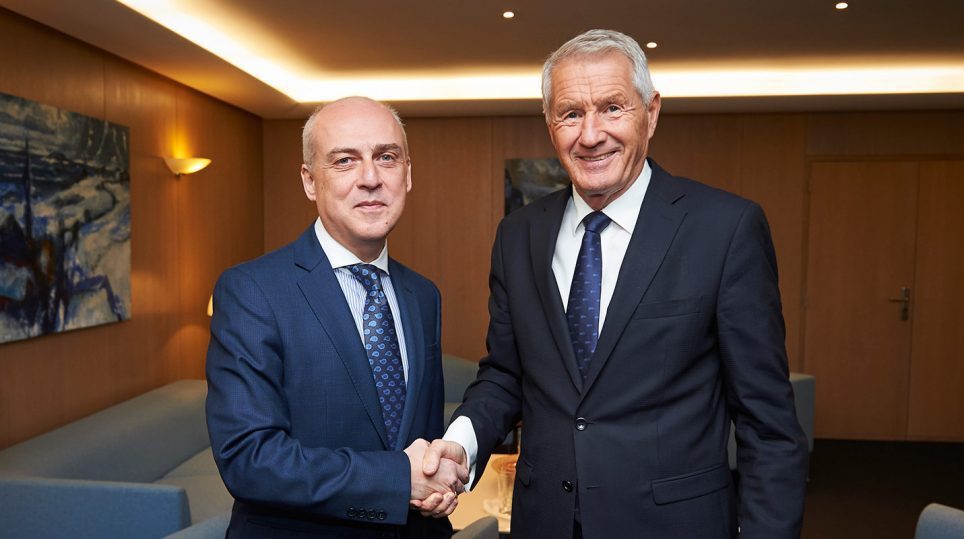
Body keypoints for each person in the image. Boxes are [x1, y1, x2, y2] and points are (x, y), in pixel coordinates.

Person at [423, 29, 808, 538]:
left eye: (612, 108)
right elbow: (506, 374)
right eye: (570, 114)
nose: (590, 135)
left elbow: (768, 426)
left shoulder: (724, 229)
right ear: (549, 123)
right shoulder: (519, 234)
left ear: (651, 112)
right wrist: (461, 443)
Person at [206, 96, 465, 538]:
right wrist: (397, 480)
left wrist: (435, 481)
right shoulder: (252, 290)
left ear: (407, 174)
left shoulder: (423, 295)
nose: (370, 178)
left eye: (386, 157)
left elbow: (415, 439)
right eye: (345, 161)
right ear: (310, 181)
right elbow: (249, 459)